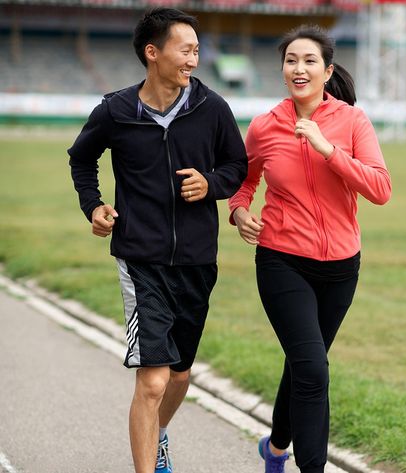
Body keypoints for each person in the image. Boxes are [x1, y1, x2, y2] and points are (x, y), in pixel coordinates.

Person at [68, 8, 247, 473]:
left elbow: (237, 168)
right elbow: (81, 160)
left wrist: (211, 184)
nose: (194, 58)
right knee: (152, 381)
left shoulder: (213, 110)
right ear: (153, 52)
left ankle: (158, 434)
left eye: (196, 49)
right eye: (185, 48)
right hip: (139, 257)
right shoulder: (116, 110)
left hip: (196, 260)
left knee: (180, 374)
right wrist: (94, 206)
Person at [229, 25, 391, 473]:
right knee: (314, 370)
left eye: (309, 61)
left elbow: (380, 189)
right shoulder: (265, 126)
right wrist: (240, 212)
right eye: (291, 61)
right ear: (283, 70)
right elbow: (243, 183)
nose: (299, 68)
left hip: (342, 266)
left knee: (307, 363)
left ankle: (277, 447)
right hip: (282, 260)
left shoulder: (353, 122)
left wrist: (328, 150)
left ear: (327, 70)